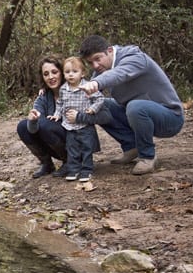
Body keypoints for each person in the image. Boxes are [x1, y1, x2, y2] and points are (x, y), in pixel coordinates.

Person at [78, 35, 184, 175]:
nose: (95, 66)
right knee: (100, 105)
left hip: (170, 117)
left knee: (135, 107)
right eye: (91, 63)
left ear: (109, 50)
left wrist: (96, 83)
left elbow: (118, 74)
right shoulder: (101, 70)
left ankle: (147, 157)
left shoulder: (135, 57)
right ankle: (131, 147)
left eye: (98, 59)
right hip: (137, 113)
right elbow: (87, 94)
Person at [17, 56, 111, 179]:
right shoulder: (43, 97)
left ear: (62, 72)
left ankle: (70, 163)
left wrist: (80, 117)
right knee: (23, 126)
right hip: (59, 143)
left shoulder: (82, 88)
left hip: (80, 139)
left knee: (45, 124)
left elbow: (106, 117)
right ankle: (47, 164)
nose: (50, 77)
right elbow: (33, 130)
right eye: (46, 74)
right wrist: (33, 121)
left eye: (54, 72)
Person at [48, 57, 104, 182]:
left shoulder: (87, 86)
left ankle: (87, 170)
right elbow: (60, 103)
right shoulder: (63, 89)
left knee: (86, 148)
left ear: (82, 73)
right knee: (72, 148)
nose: (71, 75)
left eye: (74, 71)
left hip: (85, 125)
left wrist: (93, 109)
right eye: (67, 72)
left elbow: (100, 99)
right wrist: (57, 114)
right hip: (69, 126)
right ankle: (74, 170)